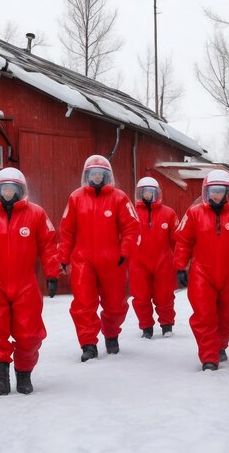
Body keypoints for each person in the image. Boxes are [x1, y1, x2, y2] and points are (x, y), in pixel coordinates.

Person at [0, 167, 59, 395]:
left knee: (29, 332)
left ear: (20, 190)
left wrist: (52, 273)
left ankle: (24, 375)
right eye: (3, 189)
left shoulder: (36, 214)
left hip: (25, 283)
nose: (8, 193)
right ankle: (0, 380)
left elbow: (49, 246)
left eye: (12, 189)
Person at [174, 170, 229, 371]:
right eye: (212, 191)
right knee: (204, 316)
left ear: (227, 191)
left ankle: (219, 344)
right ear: (206, 191)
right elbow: (183, 242)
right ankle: (209, 357)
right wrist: (180, 266)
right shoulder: (195, 213)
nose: (216, 195)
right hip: (202, 273)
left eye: (220, 191)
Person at [58, 154, 140, 361]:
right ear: (87, 175)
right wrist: (62, 258)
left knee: (115, 305)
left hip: (113, 260)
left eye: (100, 174)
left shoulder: (119, 198)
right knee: (83, 304)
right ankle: (88, 345)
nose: (96, 177)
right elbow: (67, 231)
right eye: (93, 174)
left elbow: (131, 227)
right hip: (83, 260)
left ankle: (111, 333)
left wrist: (125, 252)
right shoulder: (76, 198)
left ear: (107, 176)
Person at [129, 177, 179, 339]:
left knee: (164, 295)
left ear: (157, 193)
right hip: (138, 262)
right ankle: (146, 327)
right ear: (139, 193)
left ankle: (166, 325)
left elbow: (178, 239)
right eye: (144, 192)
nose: (148, 195)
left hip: (164, 261)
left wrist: (181, 262)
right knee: (140, 297)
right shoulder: (131, 213)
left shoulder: (169, 213)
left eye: (151, 192)